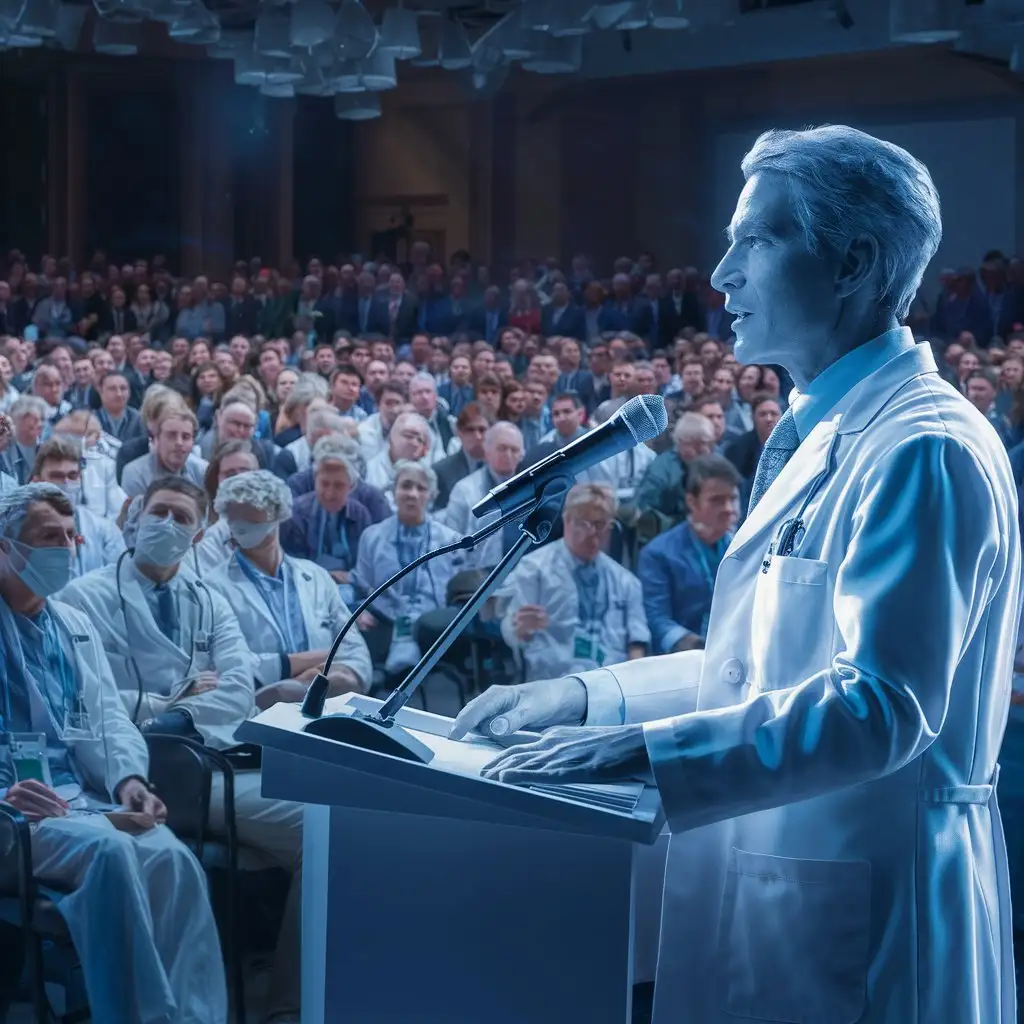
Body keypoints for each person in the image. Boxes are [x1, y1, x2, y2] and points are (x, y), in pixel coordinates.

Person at [453, 125, 1020, 1024]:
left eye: (756, 240)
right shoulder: (820, 433)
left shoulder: (923, 448)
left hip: (873, 917)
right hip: (789, 893)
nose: (720, 274)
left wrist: (650, 751)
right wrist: (585, 700)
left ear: (854, 262)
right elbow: (756, 671)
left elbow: (884, 706)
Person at [0, 483, 227, 1023]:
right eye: (46, 537)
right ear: (5, 546)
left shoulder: (70, 626)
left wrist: (130, 781)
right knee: (111, 855)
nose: (64, 548)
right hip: (10, 813)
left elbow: (106, 718)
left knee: (173, 858)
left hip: (77, 802)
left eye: (68, 536)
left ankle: (195, 1017)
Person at [206, 470, 371, 704]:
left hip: (329, 707)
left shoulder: (316, 577)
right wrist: (315, 661)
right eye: (233, 519)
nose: (238, 525)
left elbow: (355, 652)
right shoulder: (214, 587)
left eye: (250, 517)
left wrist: (326, 679)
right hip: (255, 714)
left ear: (276, 513)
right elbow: (227, 665)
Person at [493, 482, 648, 682]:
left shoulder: (626, 581)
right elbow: (512, 633)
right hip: (553, 683)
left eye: (601, 525)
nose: (592, 533)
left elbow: (637, 642)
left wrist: (635, 681)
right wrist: (520, 629)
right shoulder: (534, 569)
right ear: (566, 520)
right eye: (584, 523)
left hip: (612, 684)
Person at [352, 461, 465, 674]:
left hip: (434, 626)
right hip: (384, 622)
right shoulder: (372, 537)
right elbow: (361, 585)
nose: (412, 494)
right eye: (406, 486)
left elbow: (458, 593)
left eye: (421, 488)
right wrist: (360, 611)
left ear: (432, 495)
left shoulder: (451, 541)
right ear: (393, 491)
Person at [637, 455, 740, 654]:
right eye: (717, 500)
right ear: (692, 502)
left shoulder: (744, 548)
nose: (728, 509)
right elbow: (657, 620)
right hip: (682, 662)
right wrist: (703, 648)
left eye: (732, 499)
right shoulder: (659, 554)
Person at [31, 436, 124, 578]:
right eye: (57, 476)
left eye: (72, 475)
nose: (66, 483)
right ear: (37, 481)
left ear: (80, 478)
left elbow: (120, 583)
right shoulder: (21, 530)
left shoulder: (104, 531)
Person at [441, 421, 524, 568]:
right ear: (487, 451)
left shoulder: (528, 490)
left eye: (514, 450)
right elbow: (450, 546)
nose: (508, 455)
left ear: (522, 455)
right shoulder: (464, 490)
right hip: (473, 576)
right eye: (502, 448)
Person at [121, 405, 208, 498]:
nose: (179, 443)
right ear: (156, 439)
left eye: (185, 437)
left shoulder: (202, 470)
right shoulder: (135, 474)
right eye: (171, 435)